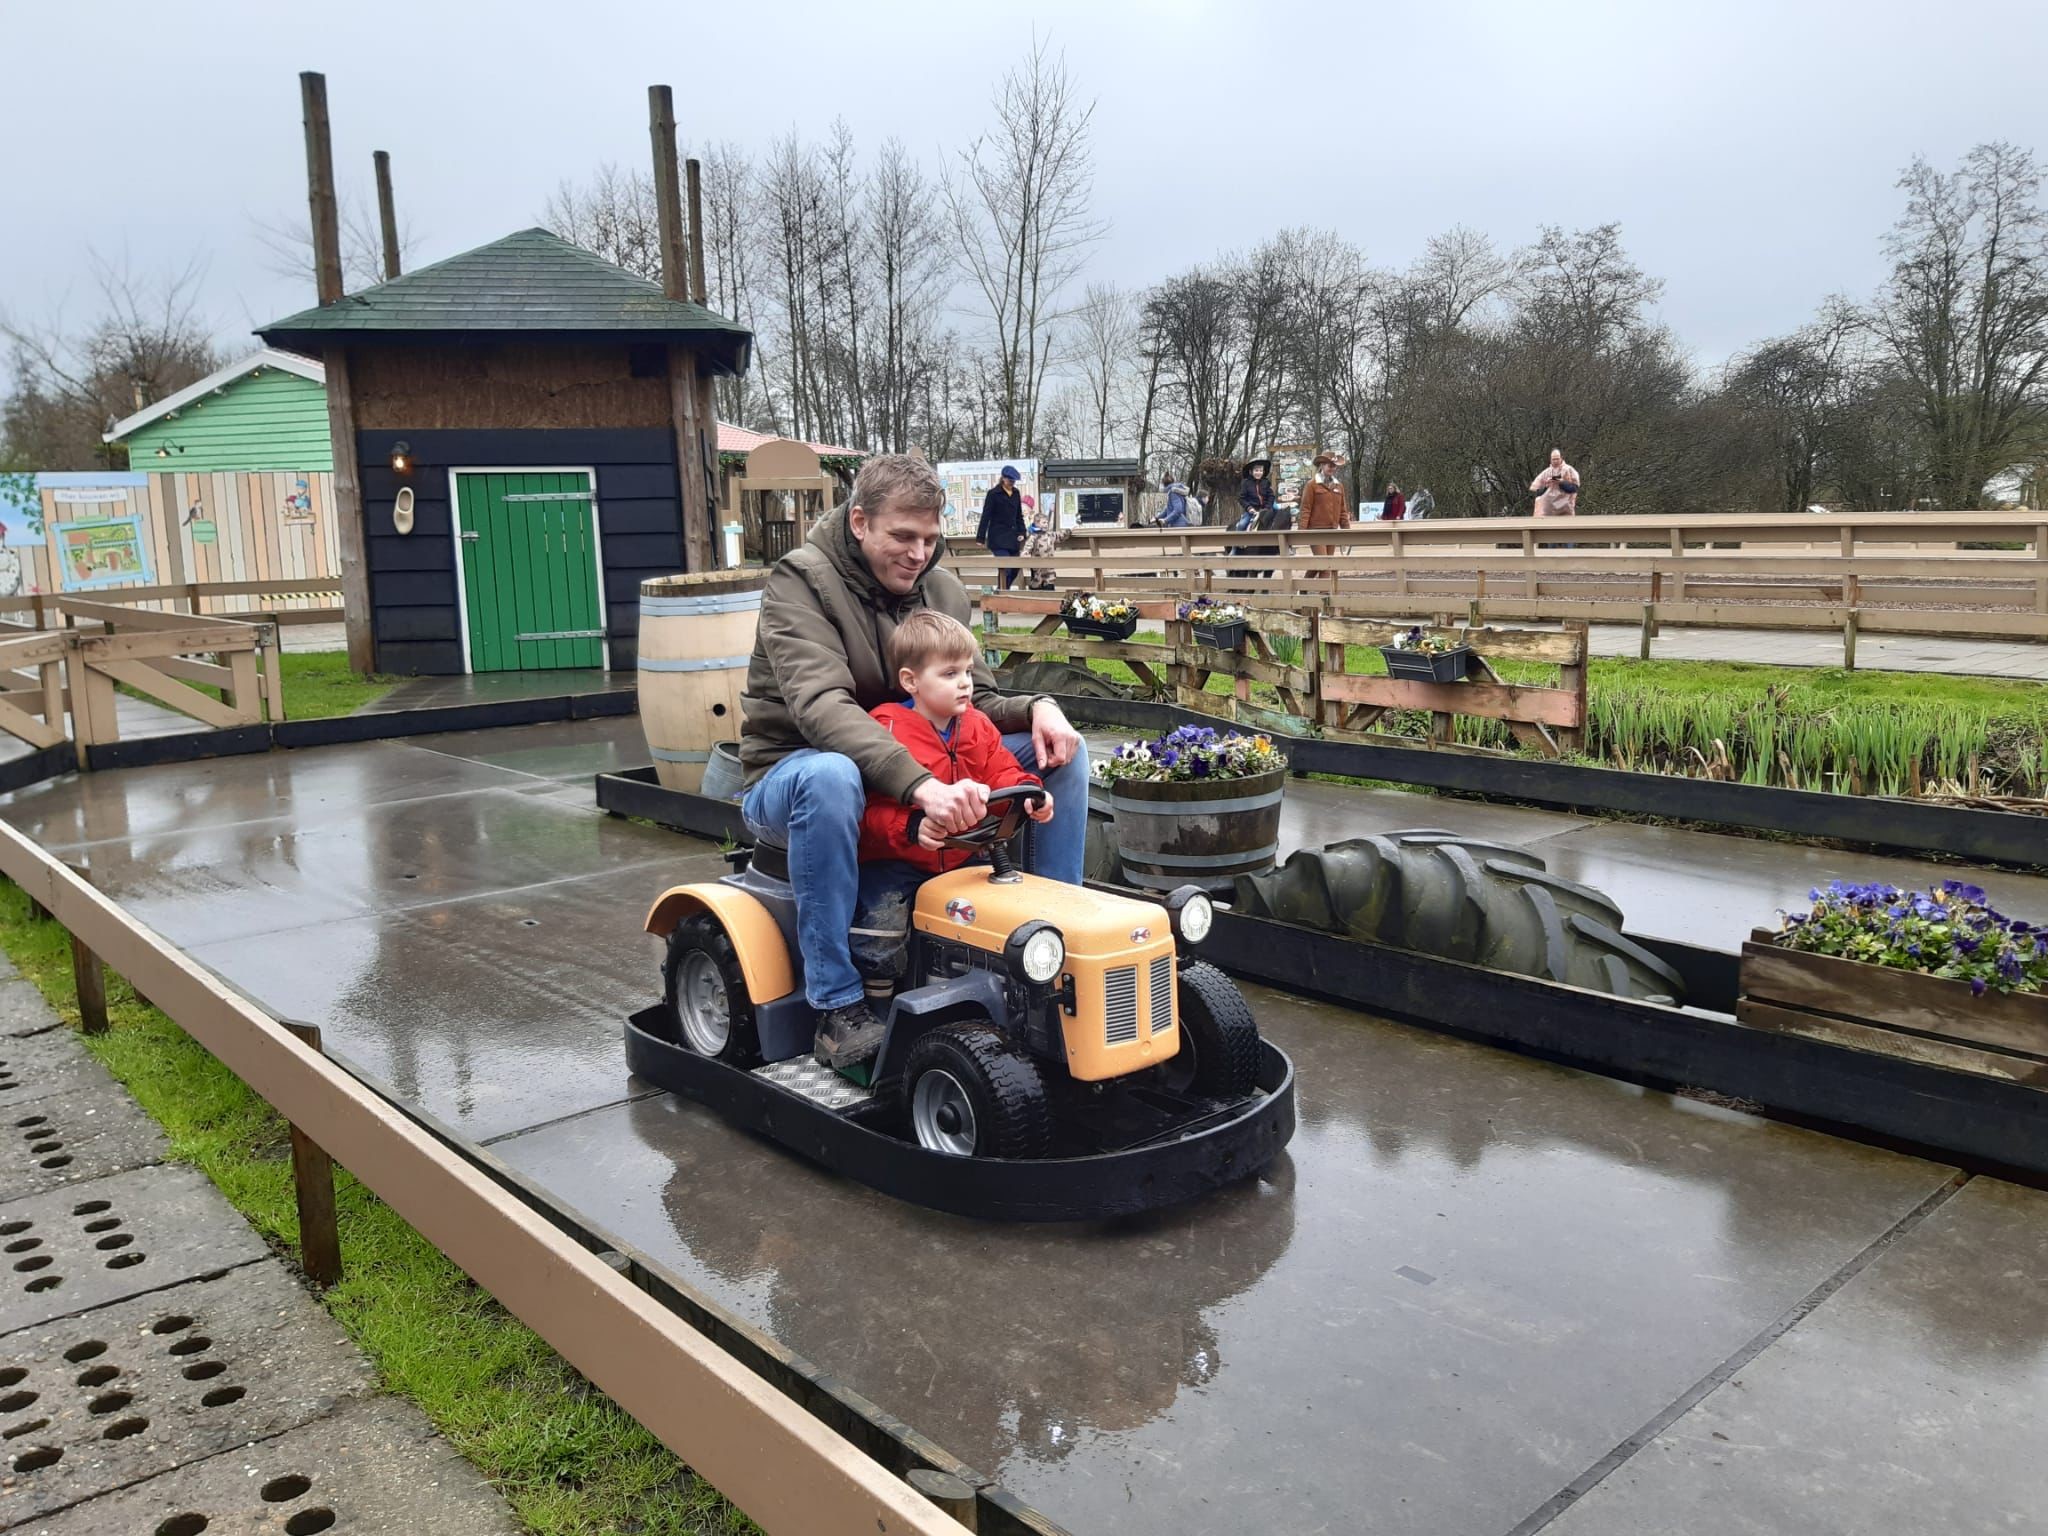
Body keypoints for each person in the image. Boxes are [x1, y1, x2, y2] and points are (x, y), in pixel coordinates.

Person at [739, 453, 1088, 1073]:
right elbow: (822, 708)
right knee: (831, 775)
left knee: (1058, 752)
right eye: (902, 537)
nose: (917, 553)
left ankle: (1053, 948)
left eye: (930, 539)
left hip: (912, 765)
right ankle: (837, 1006)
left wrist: (1040, 706)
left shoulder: (941, 587)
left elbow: (970, 698)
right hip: (795, 774)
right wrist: (921, 785)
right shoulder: (801, 582)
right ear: (859, 523)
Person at [851, 612, 1056, 992]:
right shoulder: (886, 729)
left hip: (964, 856)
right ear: (911, 681)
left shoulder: (976, 724)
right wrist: (911, 827)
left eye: (967, 672)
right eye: (949, 674)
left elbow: (1003, 771)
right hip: (900, 860)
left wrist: (1031, 792)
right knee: (879, 933)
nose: (964, 684)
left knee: (1011, 915)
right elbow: (864, 811)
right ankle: (876, 1002)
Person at [977, 465, 1027, 589]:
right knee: (1006, 567)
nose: (1012, 483)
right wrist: (980, 537)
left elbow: (1018, 515)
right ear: (1003, 478)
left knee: (1015, 568)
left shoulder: (1016, 493)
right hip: (998, 538)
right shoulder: (993, 494)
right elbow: (986, 516)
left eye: (1014, 481)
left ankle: (1002, 590)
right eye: (1010, 480)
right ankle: (1002, 593)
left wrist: (1022, 532)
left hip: (1012, 538)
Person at [1299, 452, 1349, 564]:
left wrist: (1347, 530)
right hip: (1315, 531)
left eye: (1334, 466)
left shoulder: (1339, 486)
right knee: (1324, 565)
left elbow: (1342, 510)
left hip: (1332, 530)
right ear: (1322, 465)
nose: (1332, 468)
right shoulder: (1311, 485)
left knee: (1326, 565)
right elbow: (1305, 508)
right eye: (1329, 465)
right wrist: (1301, 531)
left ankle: (1306, 582)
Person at [1530, 449, 1582, 518]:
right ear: (1550, 460)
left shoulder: (1569, 470)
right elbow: (1537, 492)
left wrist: (1562, 483)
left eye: (1557, 459)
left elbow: (1574, 488)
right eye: (1553, 459)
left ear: (1561, 458)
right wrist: (1546, 486)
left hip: (1565, 509)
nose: (1555, 461)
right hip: (1547, 512)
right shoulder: (1546, 473)